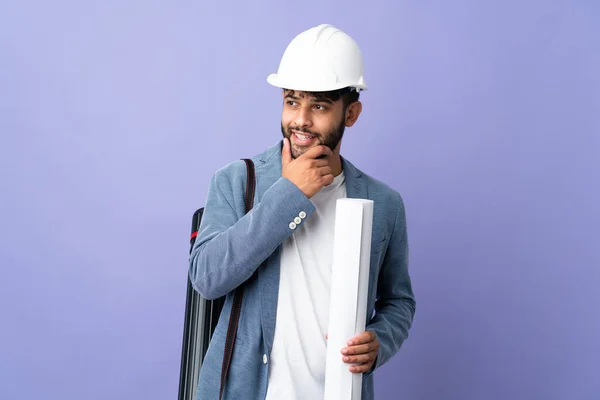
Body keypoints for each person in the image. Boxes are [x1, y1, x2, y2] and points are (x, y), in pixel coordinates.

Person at [189, 24, 415, 400]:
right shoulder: (235, 181)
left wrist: (381, 340)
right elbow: (208, 277)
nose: (301, 120)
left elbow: (399, 301)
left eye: (320, 106)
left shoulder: (384, 203)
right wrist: (290, 193)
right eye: (292, 101)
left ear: (352, 113)